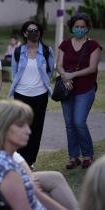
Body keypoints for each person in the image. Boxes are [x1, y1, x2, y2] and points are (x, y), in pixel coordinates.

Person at [0, 91, 78, 210]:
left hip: (9, 176)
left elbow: (16, 158)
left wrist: (28, 179)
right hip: (2, 181)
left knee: (54, 178)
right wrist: (26, 181)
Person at [0, 100, 67, 210]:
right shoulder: (6, 170)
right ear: (3, 127)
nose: (28, 131)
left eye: (28, 125)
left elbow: (37, 196)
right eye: (20, 125)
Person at [56, 13, 102, 169]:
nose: (80, 29)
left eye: (83, 27)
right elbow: (59, 65)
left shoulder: (93, 45)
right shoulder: (65, 44)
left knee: (79, 122)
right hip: (67, 90)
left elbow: (92, 68)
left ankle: (88, 155)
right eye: (77, 26)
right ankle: (73, 157)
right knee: (69, 124)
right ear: (72, 27)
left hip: (85, 89)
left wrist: (72, 75)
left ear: (87, 28)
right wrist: (64, 77)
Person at [9, 21, 54, 167]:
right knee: (20, 127)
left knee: (36, 129)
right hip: (21, 95)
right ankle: (21, 159)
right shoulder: (18, 51)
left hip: (40, 95)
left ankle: (30, 161)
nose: (33, 32)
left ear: (40, 32)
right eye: (30, 30)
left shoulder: (47, 51)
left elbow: (50, 72)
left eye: (36, 30)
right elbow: (14, 72)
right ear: (24, 33)